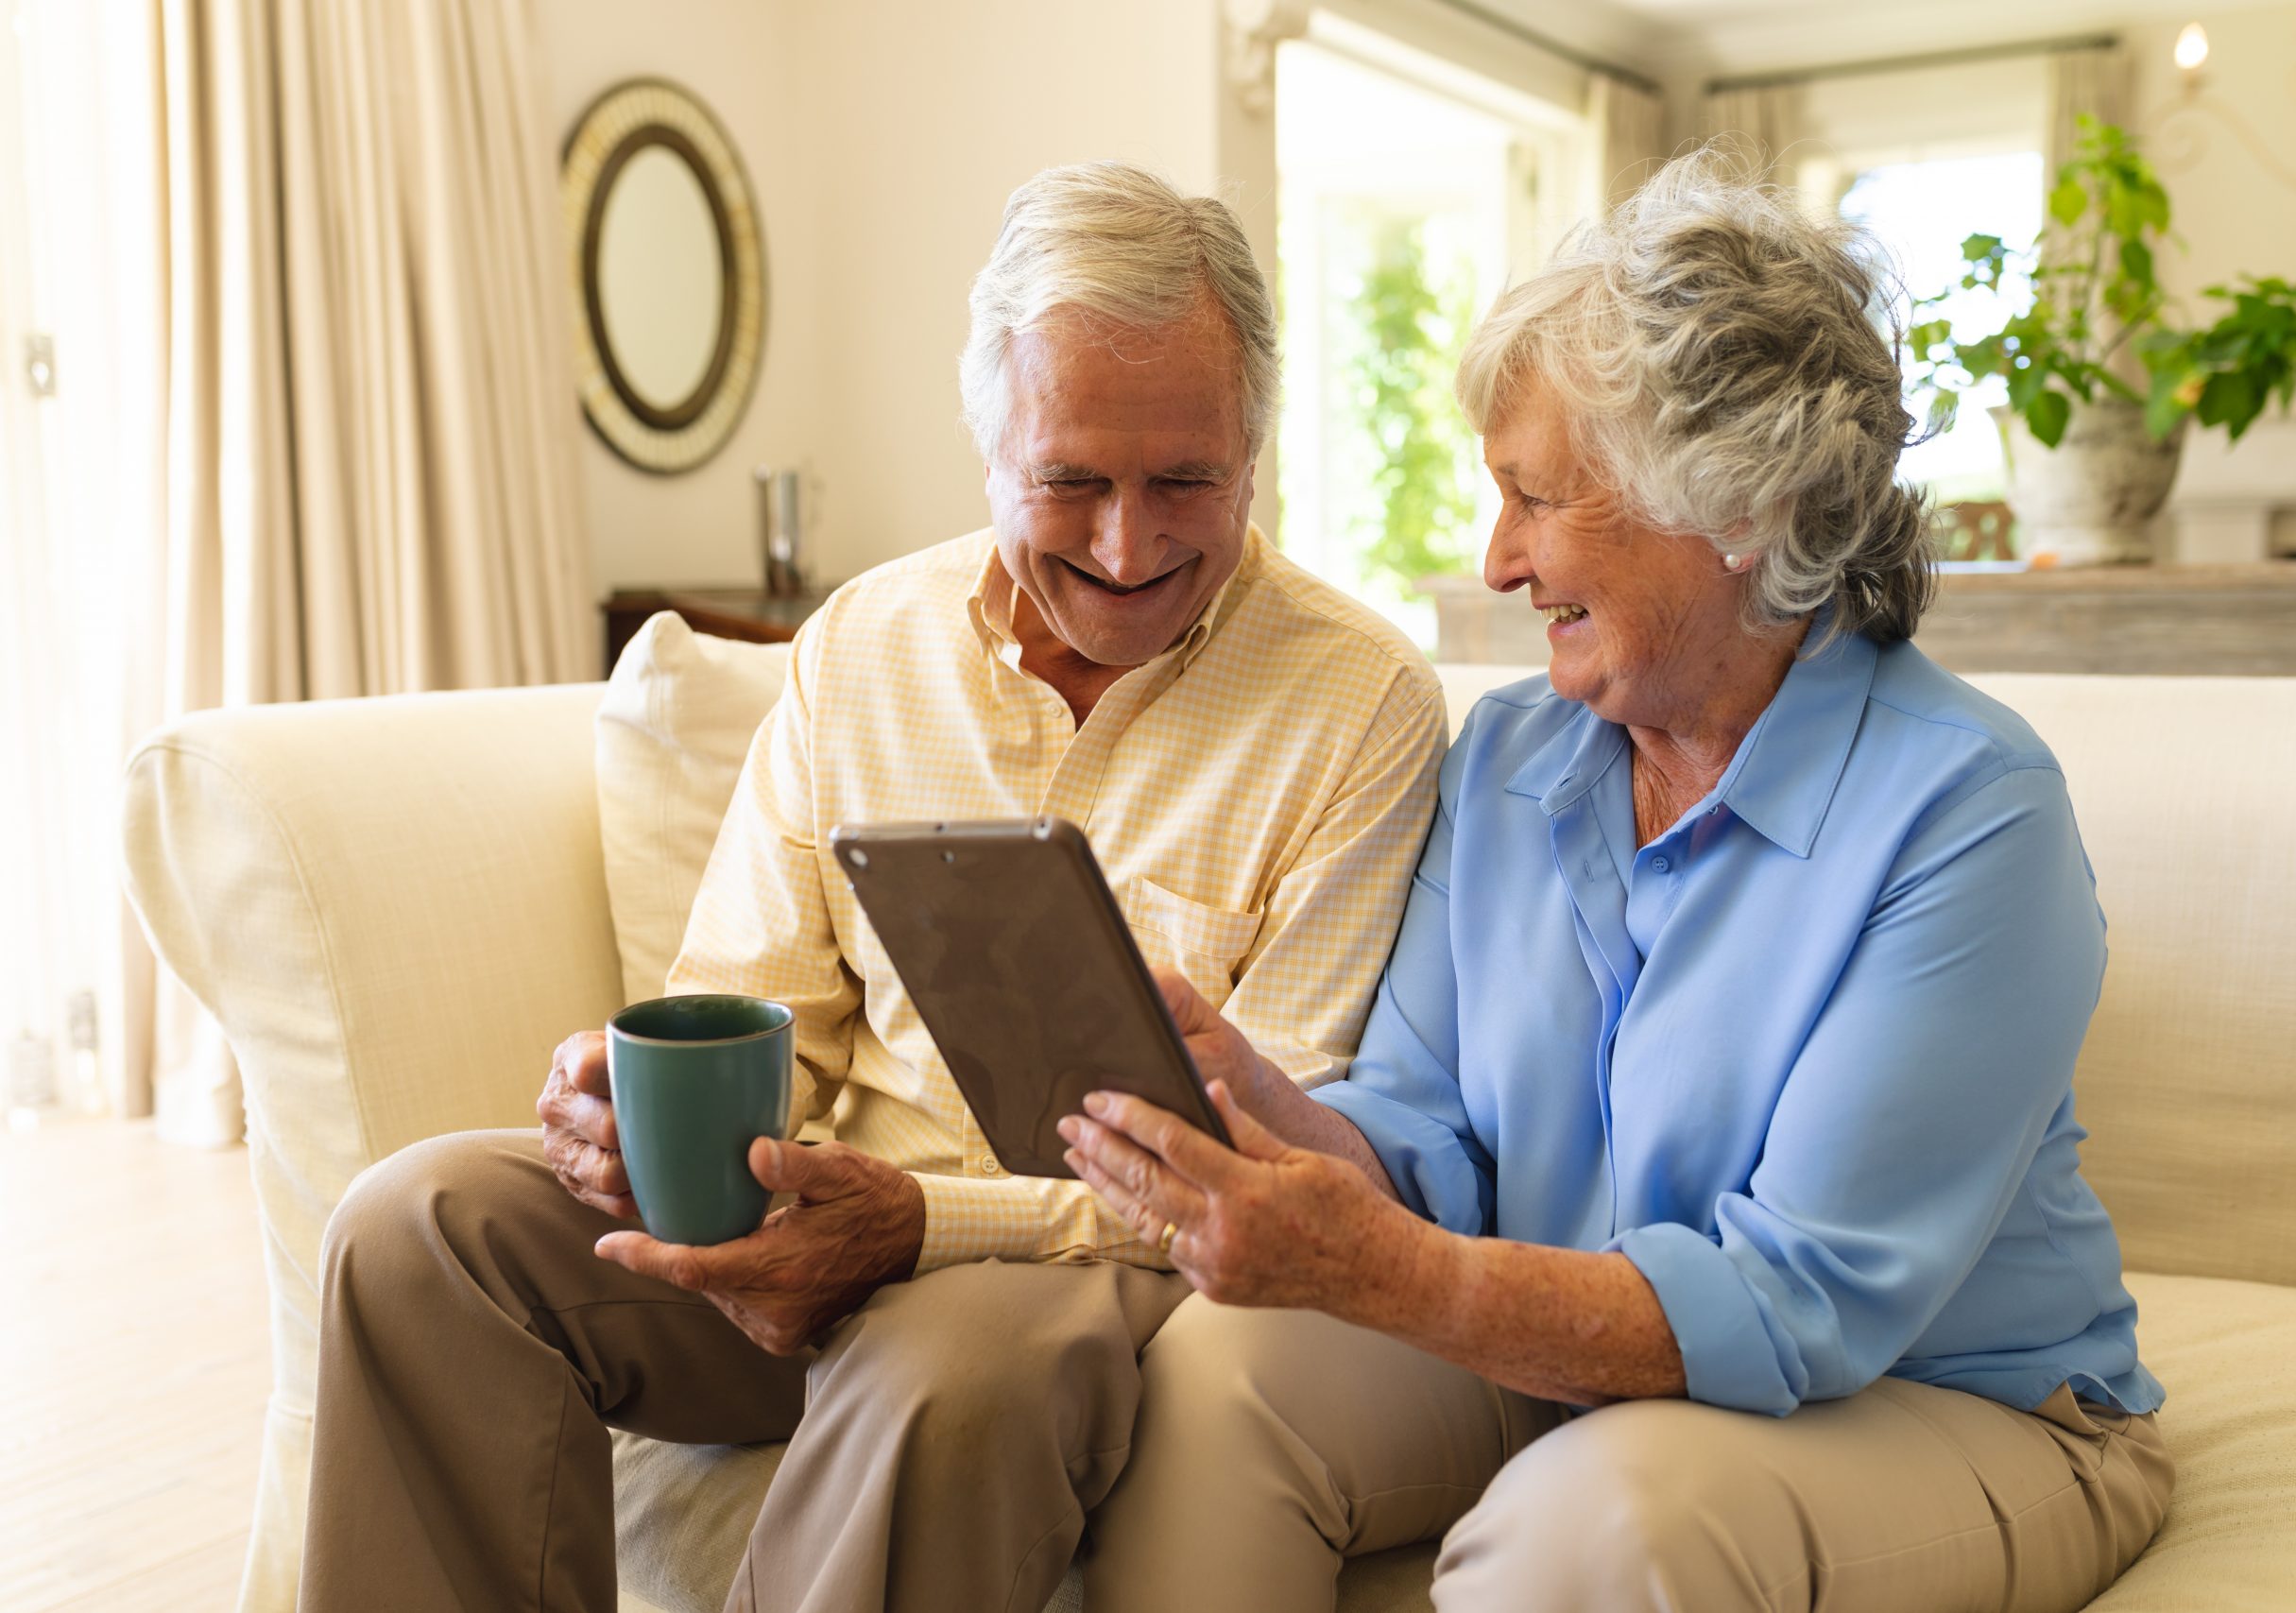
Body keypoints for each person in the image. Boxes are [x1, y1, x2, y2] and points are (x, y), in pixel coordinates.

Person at [297, 163, 1447, 1613]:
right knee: (417, 1228)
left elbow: (1267, 1181)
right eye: (1071, 482)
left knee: (944, 1374)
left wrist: (920, 1221)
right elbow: (749, 1016)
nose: (1126, 544)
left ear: (1257, 451)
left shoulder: (1362, 706)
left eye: (1186, 483)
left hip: (1075, 1267)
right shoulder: (862, 647)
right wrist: (637, 1120)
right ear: (988, 452)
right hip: (809, 1213)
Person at [1064, 149, 2171, 1613]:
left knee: (1597, 1522)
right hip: (1568, 1336)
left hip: (1949, 1398)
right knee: (1216, 1374)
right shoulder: (1517, 754)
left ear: (1734, 512)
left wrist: (1395, 1277)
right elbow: (1427, 1132)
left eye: (1535, 498)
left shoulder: (1970, 814)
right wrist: (1276, 1125)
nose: (1498, 559)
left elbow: (1800, 1302)